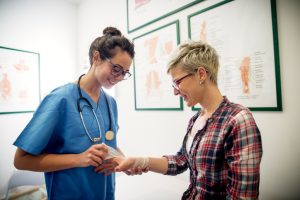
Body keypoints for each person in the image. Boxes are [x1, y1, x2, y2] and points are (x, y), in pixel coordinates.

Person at [102, 41, 263, 199]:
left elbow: (242, 196)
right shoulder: (196, 119)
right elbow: (180, 161)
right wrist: (138, 161)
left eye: (177, 82)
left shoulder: (238, 120)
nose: (175, 92)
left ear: (201, 74)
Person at [13, 27, 135, 200]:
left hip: (105, 193)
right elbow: (21, 160)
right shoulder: (60, 100)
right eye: (116, 68)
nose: (119, 77)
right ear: (96, 57)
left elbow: (107, 143)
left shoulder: (110, 103)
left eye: (125, 72)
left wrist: (122, 160)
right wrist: (79, 159)